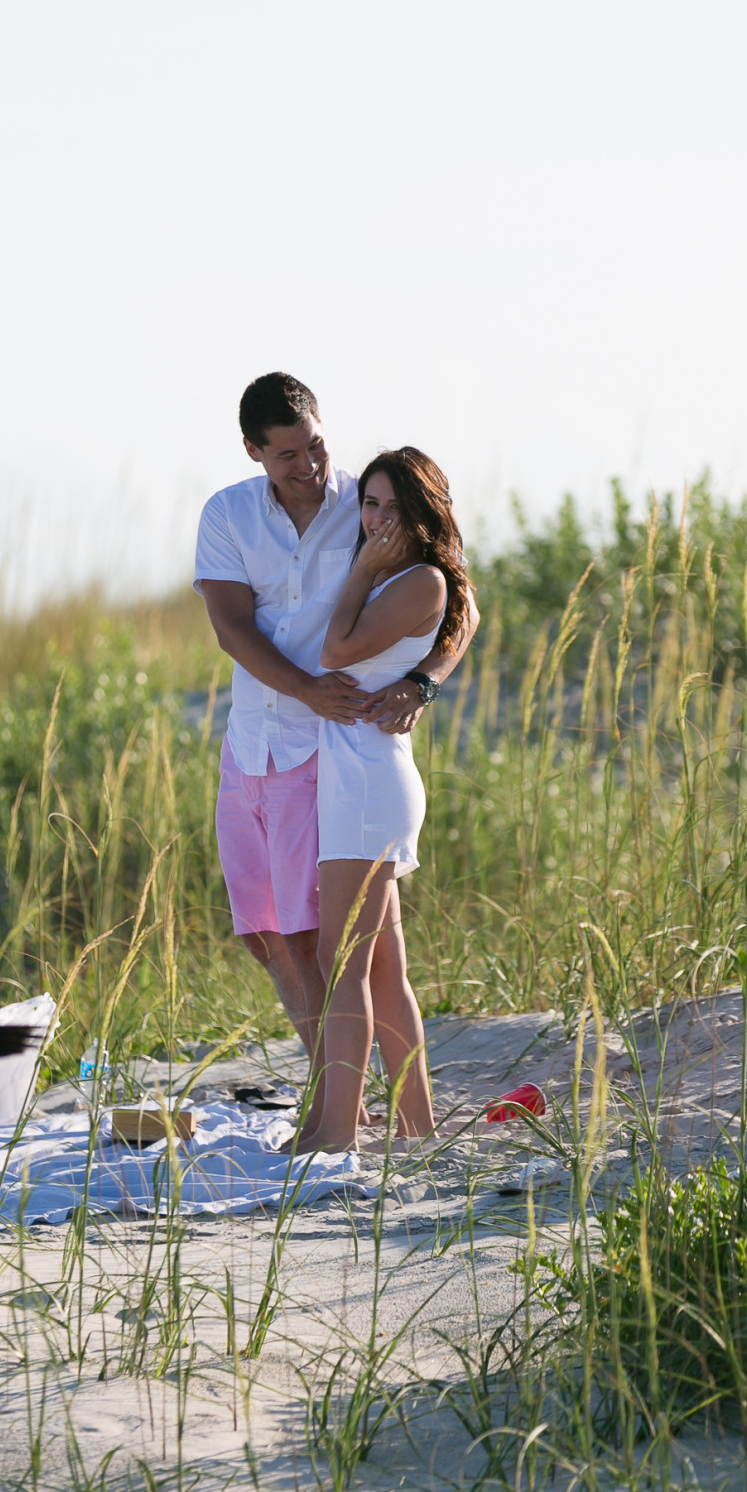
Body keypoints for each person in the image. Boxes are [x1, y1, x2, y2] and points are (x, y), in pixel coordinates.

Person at [195, 373, 478, 1078]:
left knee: (321, 938)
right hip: (246, 746)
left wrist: (425, 680)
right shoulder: (228, 515)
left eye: (316, 446)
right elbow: (231, 627)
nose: (309, 466)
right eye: (288, 455)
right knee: (264, 933)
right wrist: (304, 688)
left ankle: (339, 1096)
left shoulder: (367, 502)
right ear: (253, 450)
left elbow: (460, 599)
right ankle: (344, 1092)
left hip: (323, 751)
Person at [290, 447, 474, 1154]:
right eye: (369, 504)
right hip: (359, 776)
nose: (377, 519)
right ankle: (416, 1122)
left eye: (395, 508)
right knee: (383, 968)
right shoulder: (409, 576)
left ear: (425, 514)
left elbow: (336, 650)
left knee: (342, 964)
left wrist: (363, 570)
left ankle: (338, 1129)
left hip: (367, 782)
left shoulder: (418, 579)